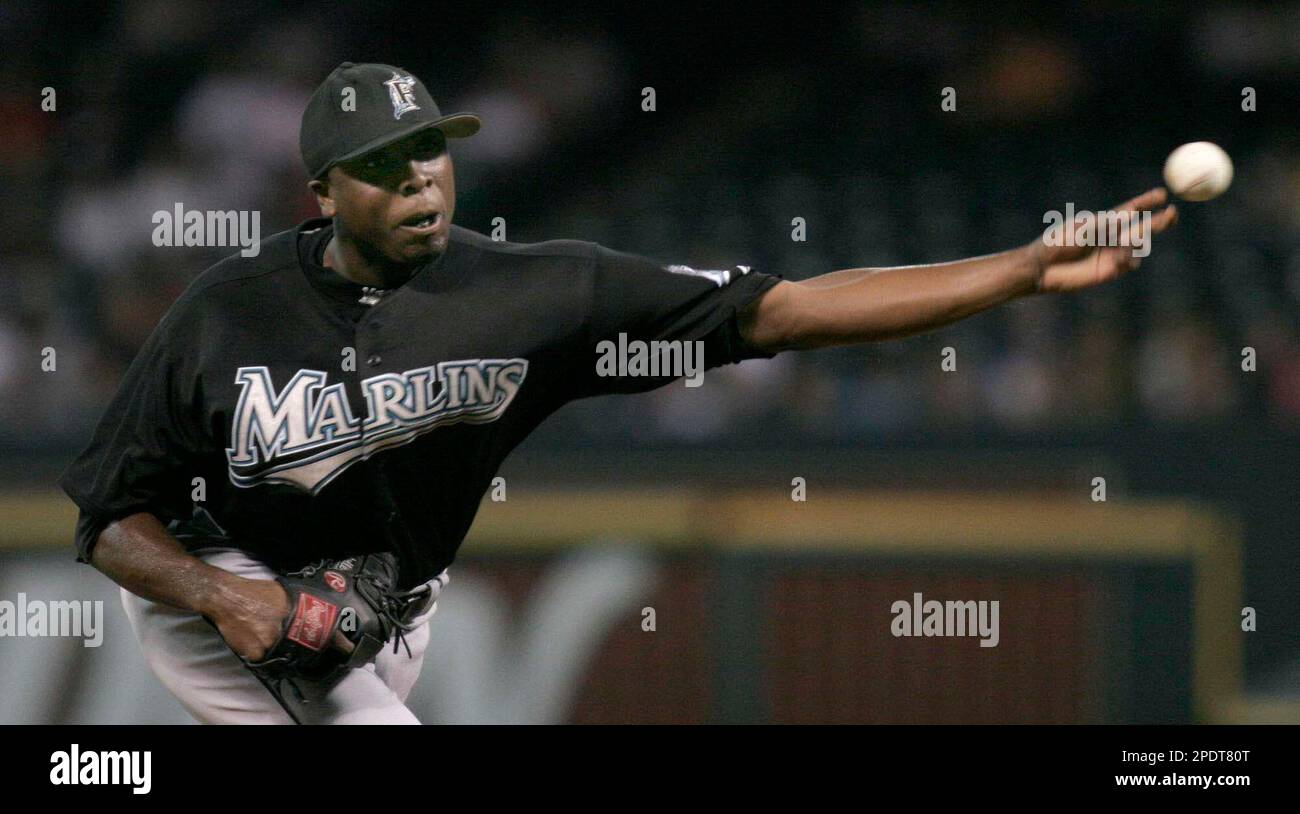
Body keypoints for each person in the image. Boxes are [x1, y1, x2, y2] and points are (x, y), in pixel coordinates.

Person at [59, 62, 1177, 724]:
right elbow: (109, 517)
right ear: (322, 194)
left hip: (386, 601)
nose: (422, 179)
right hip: (229, 584)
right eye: (387, 163)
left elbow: (781, 310)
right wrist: (223, 596)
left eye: (433, 152)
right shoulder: (226, 310)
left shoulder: (535, 294)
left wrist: (1019, 270)